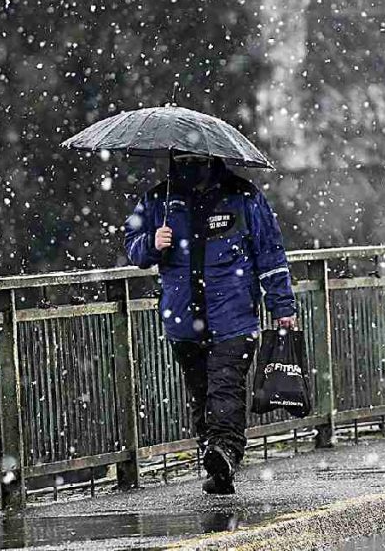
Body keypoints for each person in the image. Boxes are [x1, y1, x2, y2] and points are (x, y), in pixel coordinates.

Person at [123, 154, 297, 495]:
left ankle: (225, 452)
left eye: (195, 158)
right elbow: (133, 248)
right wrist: (152, 244)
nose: (190, 164)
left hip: (234, 318)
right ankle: (215, 457)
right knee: (202, 393)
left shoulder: (243, 196)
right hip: (184, 322)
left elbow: (270, 253)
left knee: (225, 388)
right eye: (183, 158)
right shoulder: (159, 199)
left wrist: (282, 306)